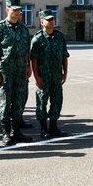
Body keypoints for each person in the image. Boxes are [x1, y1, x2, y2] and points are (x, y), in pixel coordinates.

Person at [0, 0, 32, 146]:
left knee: (19, 102)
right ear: (7, 9)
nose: (17, 13)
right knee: (5, 103)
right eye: (14, 10)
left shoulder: (23, 28)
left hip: (21, 71)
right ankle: (6, 133)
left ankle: (16, 131)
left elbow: (27, 49)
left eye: (18, 10)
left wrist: (29, 66)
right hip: (6, 72)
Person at [30, 9, 69, 138]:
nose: (51, 22)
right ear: (42, 22)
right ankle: (43, 128)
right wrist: (36, 76)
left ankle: (53, 126)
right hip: (43, 77)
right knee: (42, 101)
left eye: (52, 19)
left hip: (57, 75)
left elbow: (64, 55)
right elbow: (33, 60)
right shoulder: (37, 39)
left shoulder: (60, 37)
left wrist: (65, 73)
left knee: (57, 100)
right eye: (48, 20)